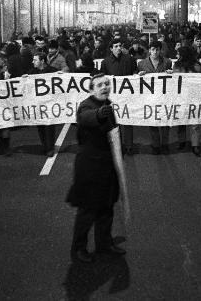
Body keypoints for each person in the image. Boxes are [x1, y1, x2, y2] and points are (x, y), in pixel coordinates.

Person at [66, 73, 126, 263]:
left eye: (107, 84)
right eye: (99, 85)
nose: (104, 87)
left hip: (107, 166)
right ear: (91, 89)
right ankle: (78, 248)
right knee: (88, 211)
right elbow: (85, 118)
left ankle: (104, 244)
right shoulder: (88, 105)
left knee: (106, 207)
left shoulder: (107, 103)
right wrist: (98, 115)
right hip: (90, 167)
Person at [101, 39, 137, 154]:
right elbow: (102, 78)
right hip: (113, 97)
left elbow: (134, 72)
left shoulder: (130, 59)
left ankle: (129, 146)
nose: (118, 48)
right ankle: (118, 146)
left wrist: (136, 74)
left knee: (127, 120)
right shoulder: (105, 62)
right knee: (114, 122)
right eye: (115, 46)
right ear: (111, 48)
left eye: (120, 46)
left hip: (127, 96)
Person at [137, 41, 173, 155]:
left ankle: (165, 144)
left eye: (157, 49)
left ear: (160, 50)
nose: (155, 52)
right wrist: (139, 75)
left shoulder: (167, 62)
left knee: (165, 121)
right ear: (149, 50)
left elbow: (172, 79)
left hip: (164, 96)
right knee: (152, 121)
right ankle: (155, 145)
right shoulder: (142, 64)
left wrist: (171, 73)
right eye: (153, 49)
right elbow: (135, 79)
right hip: (150, 97)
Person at [173, 46, 201, 156]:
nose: (176, 56)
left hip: (192, 96)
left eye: (178, 54)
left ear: (183, 55)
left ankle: (192, 144)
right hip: (183, 97)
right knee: (183, 120)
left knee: (193, 121)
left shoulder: (196, 66)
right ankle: (187, 143)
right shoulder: (194, 65)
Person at [26, 52, 57, 156]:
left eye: (35, 60)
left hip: (49, 104)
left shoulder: (53, 71)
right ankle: (45, 146)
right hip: (38, 105)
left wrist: (62, 76)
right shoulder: (31, 73)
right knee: (41, 127)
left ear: (42, 61)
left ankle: (50, 148)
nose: (32, 62)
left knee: (49, 126)